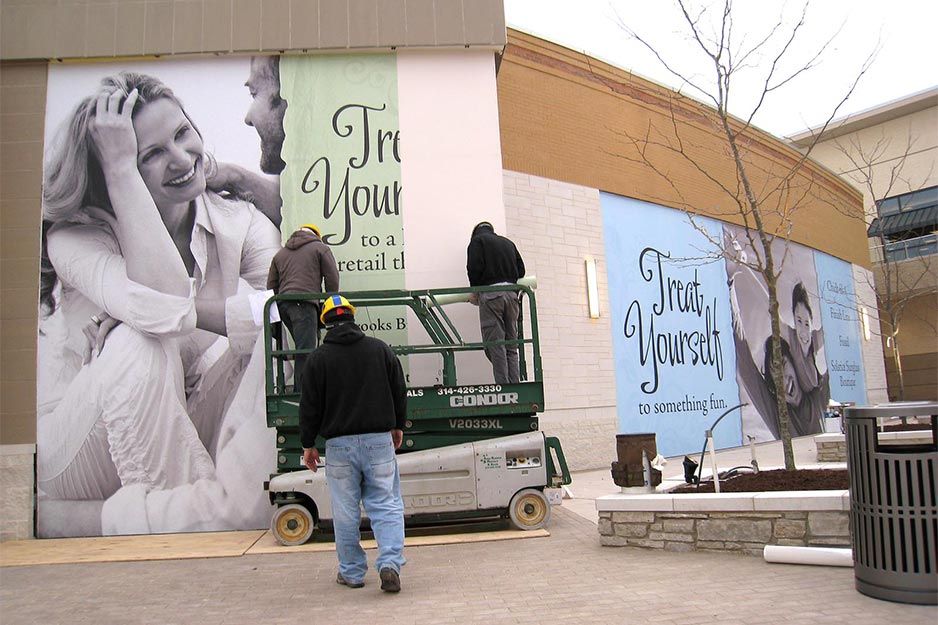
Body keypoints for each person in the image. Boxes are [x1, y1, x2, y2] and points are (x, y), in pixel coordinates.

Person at [36, 72, 282, 535]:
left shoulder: (236, 219)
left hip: (184, 413)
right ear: (112, 170)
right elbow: (164, 304)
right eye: (149, 154)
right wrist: (120, 171)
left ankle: (192, 518)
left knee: (262, 345)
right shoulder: (76, 238)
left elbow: (288, 312)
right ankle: (187, 531)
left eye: (181, 134)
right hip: (79, 448)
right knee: (137, 341)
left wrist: (181, 311)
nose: (180, 159)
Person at [299, 295, 407, 593]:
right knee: (386, 505)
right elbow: (399, 389)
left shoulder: (317, 359)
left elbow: (309, 405)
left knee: (345, 511)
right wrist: (397, 424)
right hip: (378, 442)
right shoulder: (379, 349)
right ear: (353, 317)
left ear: (325, 324)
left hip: (339, 446)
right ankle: (389, 564)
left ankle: (352, 573)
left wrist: (308, 444)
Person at [267, 223, 339, 385]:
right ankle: (303, 391)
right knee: (306, 351)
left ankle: (304, 387)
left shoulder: (280, 254)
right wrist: (329, 306)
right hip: (304, 305)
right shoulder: (320, 248)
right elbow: (332, 278)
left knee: (302, 348)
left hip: (284, 306)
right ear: (316, 235)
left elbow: (271, 286)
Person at [466, 221, 526, 384]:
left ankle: (504, 387)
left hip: (492, 296)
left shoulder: (477, 242)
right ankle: (515, 386)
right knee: (511, 344)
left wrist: (475, 291)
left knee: (496, 344)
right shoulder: (508, 243)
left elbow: (474, 268)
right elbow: (521, 270)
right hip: (512, 295)